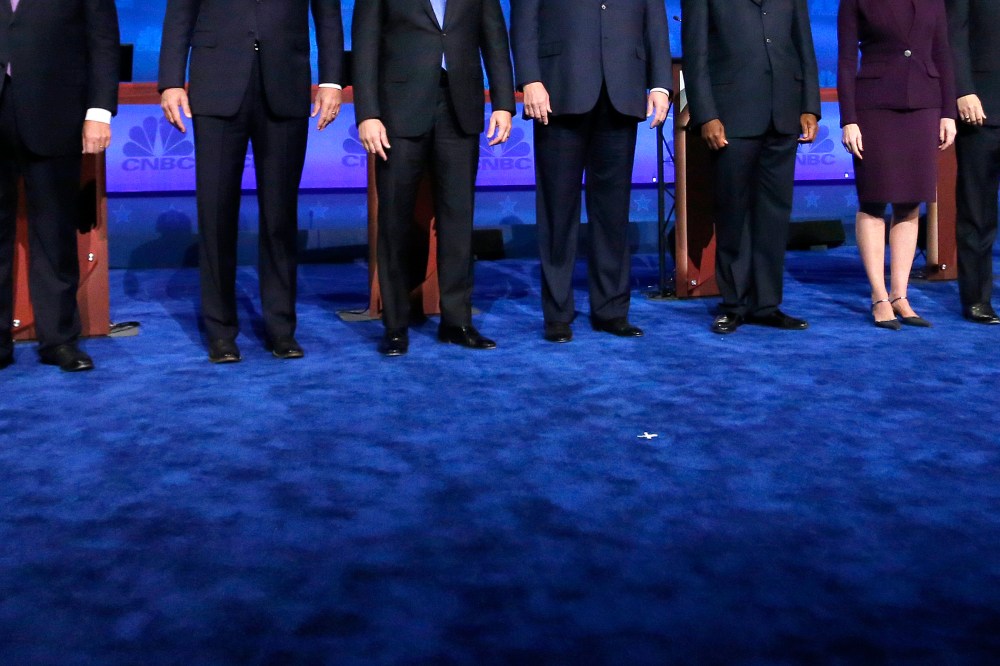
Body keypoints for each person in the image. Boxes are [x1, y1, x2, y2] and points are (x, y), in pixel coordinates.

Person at [158, 0, 344, 363]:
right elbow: (180, 12)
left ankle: (281, 329)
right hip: (216, 83)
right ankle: (221, 331)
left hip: (286, 82)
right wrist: (170, 81)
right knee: (215, 215)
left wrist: (332, 81)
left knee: (280, 217)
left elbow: (329, 15)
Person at [353, 0, 515, 356]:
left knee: (458, 220)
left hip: (460, 108)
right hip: (398, 109)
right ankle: (395, 326)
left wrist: (503, 103)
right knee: (395, 220)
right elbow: (365, 42)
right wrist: (368, 112)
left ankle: (456, 321)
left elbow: (494, 38)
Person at [510, 0, 672, 344]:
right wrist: (529, 79)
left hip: (622, 90)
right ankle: (557, 314)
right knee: (557, 212)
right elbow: (524, 20)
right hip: (558, 89)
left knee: (613, 214)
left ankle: (612, 309)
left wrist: (660, 84)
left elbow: (654, 21)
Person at [682, 0, 821, 335]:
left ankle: (767, 304)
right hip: (731, 116)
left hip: (783, 112)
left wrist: (810, 105)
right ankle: (734, 304)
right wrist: (707, 114)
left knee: (774, 213)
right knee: (733, 213)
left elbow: (804, 44)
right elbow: (695, 53)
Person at [0, 0, 120, 372]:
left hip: (55, 112)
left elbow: (103, 41)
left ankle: (59, 340)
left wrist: (99, 111)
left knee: (54, 233)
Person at [838, 0, 957, 330]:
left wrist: (948, 111)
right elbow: (847, 60)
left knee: (910, 202)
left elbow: (943, 53)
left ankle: (900, 295)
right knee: (874, 199)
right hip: (874, 105)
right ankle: (879, 296)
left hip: (924, 104)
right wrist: (849, 119)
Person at [946, 0, 1000, 324]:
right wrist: (963, 88)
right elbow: (954, 33)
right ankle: (977, 299)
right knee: (977, 211)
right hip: (981, 108)